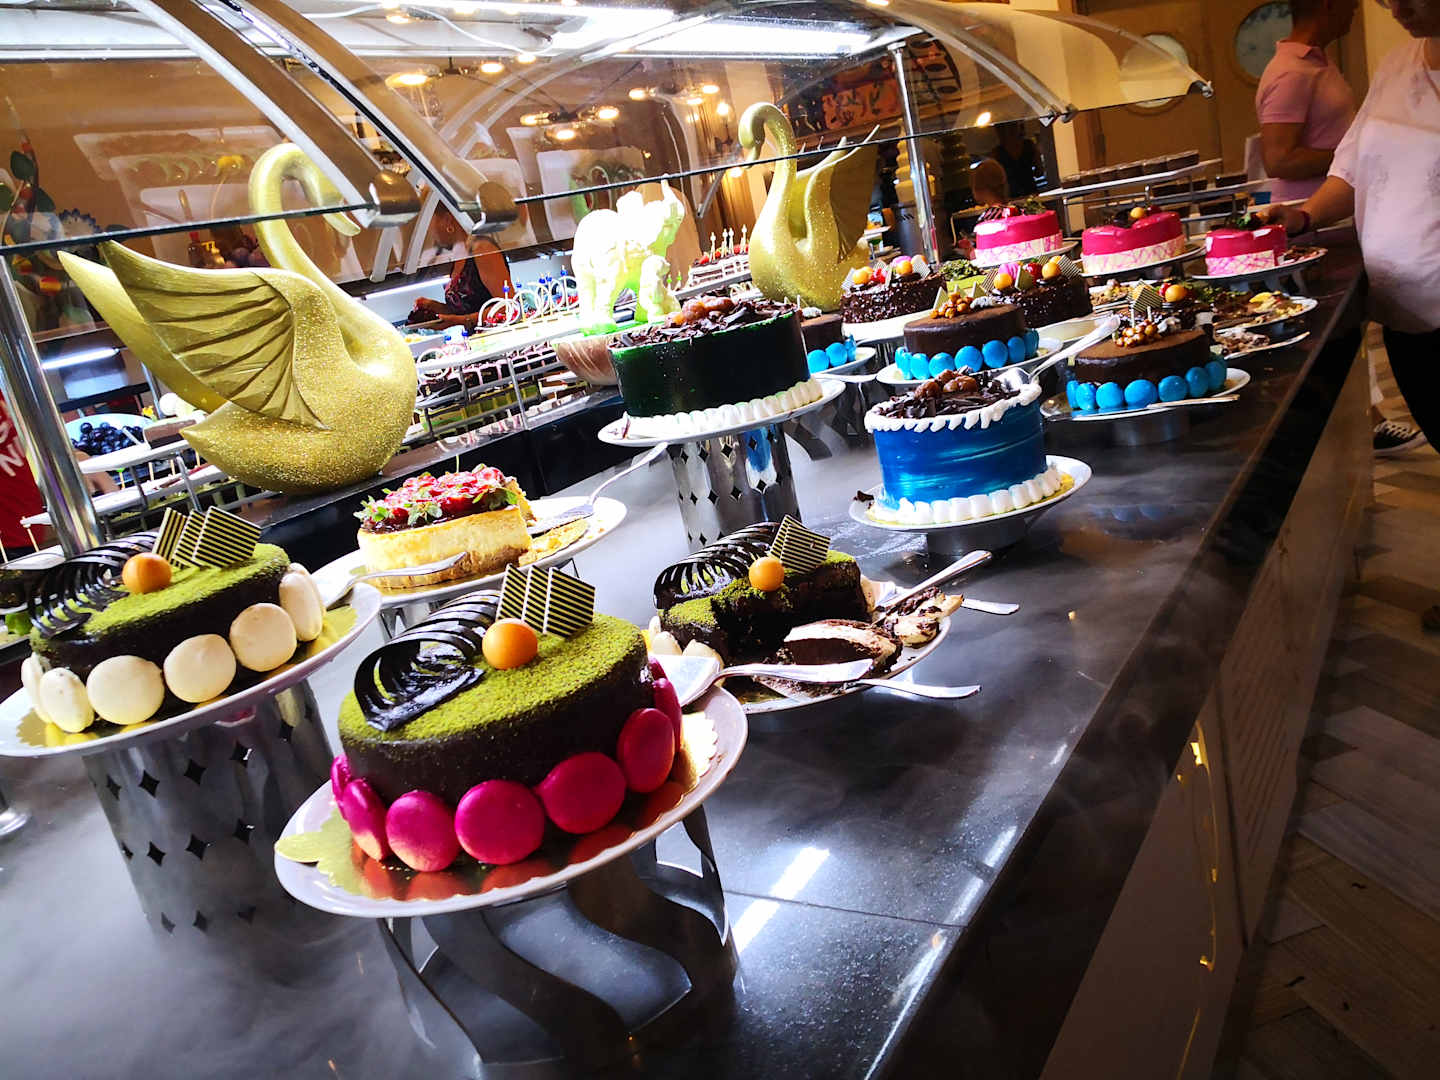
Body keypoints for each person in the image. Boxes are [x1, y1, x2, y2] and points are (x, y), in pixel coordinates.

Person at [1263, 0, 1440, 627]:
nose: (1396, 5)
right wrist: (1304, 215)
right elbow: (1351, 172)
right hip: (1405, 314)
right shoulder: (1396, 66)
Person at [1256, 0, 1422, 454]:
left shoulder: (1319, 64)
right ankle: (1368, 424)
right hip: (1321, 222)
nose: (1360, 8)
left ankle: (1370, 420)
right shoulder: (1293, 71)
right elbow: (1284, 159)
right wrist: (1370, 153)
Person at [408, 206, 512, 330]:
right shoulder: (459, 254)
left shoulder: (482, 248)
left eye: (429, 222)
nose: (429, 231)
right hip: (479, 338)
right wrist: (436, 307)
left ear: (447, 220)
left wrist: (458, 321)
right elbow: (468, 308)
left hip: (498, 335)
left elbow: (508, 306)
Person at [988, 122, 1043, 199]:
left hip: (1016, 195)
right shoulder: (1028, 145)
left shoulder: (997, 152)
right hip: (1027, 192)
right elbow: (1039, 172)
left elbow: (1039, 172)